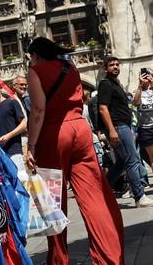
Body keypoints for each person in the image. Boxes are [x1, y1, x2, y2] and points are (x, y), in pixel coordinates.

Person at [25, 37, 124, 265]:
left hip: (53, 133)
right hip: (80, 130)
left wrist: (31, 145)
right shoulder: (70, 67)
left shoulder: (36, 71)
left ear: (36, 55)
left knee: (53, 201)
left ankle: (58, 259)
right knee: (94, 196)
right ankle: (110, 257)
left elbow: (39, 109)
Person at [97, 57, 153, 208]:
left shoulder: (116, 84)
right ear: (105, 69)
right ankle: (139, 196)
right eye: (111, 65)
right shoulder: (105, 84)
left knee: (123, 162)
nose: (115, 67)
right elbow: (103, 108)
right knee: (132, 159)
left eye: (117, 64)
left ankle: (101, 192)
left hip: (123, 126)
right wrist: (111, 130)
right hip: (118, 127)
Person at [0, 78, 28, 172]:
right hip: (0, 154)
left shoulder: (12, 102)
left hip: (14, 151)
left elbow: (24, 125)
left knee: (20, 180)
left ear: (0, 88)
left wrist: (8, 136)